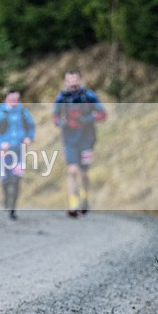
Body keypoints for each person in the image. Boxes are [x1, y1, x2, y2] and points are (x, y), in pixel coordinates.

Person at [53, 71, 107, 217]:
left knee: (83, 172)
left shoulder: (88, 96)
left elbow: (102, 114)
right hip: (69, 138)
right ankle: (73, 204)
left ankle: (84, 198)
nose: (72, 82)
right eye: (69, 80)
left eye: (75, 79)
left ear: (80, 80)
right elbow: (55, 117)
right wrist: (62, 122)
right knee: (72, 171)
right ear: (65, 82)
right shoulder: (62, 97)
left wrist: (85, 118)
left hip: (87, 138)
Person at [0, 89, 36, 220]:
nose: (14, 102)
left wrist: (29, 138)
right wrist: (0, 144)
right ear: (5, 100)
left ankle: (13, 209)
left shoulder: (24, 113)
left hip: (19, 151)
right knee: (5, 179)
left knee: (16, 179)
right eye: (11, 100)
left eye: (16, 100)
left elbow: (31, 127)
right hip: (3, 153)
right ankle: (6, 197)